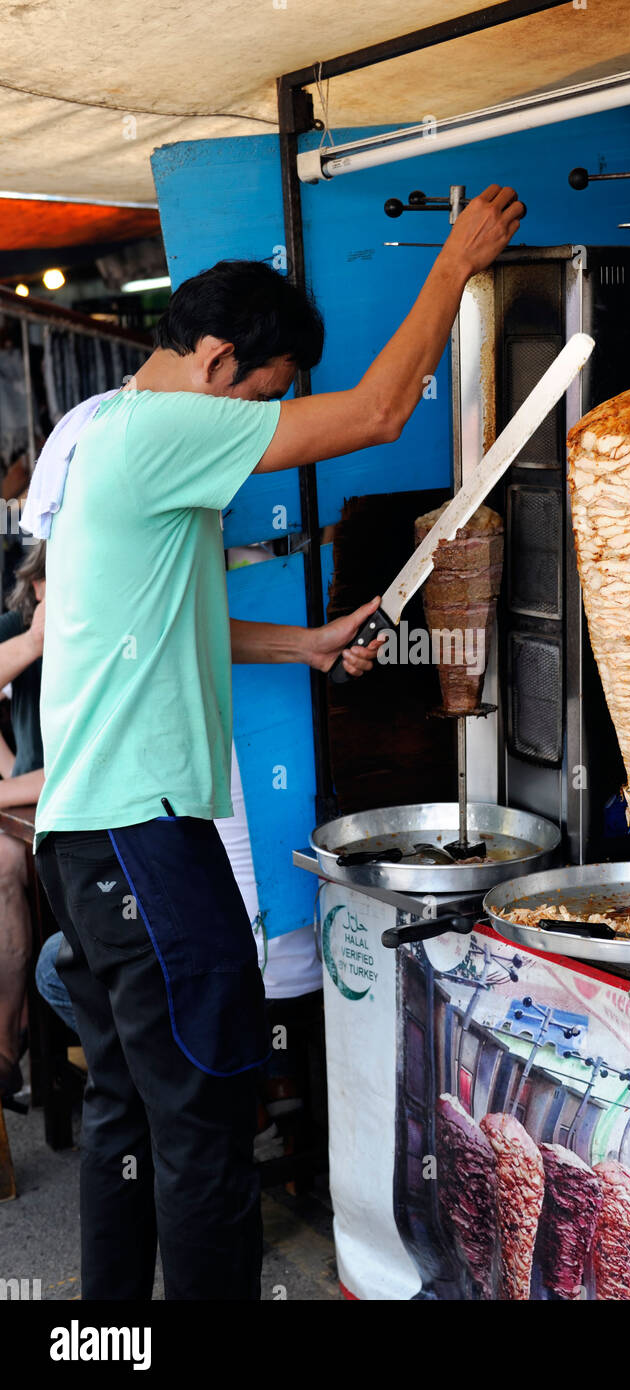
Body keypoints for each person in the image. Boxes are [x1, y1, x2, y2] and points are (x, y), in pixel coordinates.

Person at [29, 185, 523, 1302]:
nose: (267, 427)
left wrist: (302, 643)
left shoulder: (104, 434)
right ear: (215, 364)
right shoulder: (162, 428)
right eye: (265, 399)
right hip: (143, 840)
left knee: (129, 1109)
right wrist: (454, 261)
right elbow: (377, 416)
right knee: (205, 1116)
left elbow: (159, 617)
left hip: (88, 837)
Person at [0, 541, 46, 1102]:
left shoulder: (105, 622)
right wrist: (34, 641)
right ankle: (9, 1042)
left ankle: (15, 1039)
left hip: (68, 800)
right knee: (6, 863)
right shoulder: (20, 621)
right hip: (26, 797)